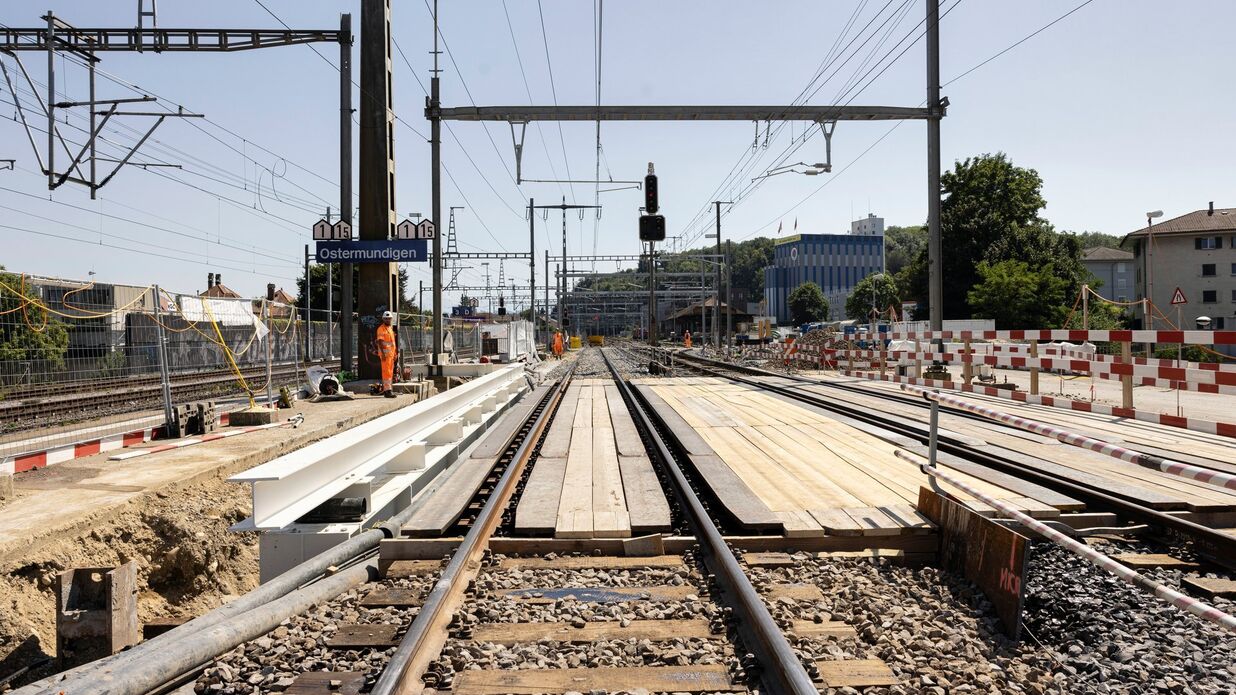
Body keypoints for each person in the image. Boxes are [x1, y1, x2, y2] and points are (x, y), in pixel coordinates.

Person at [376, 310, 397, 398]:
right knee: (386, 373)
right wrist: (384, 354)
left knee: (390, 373)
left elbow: (392, 343)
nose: (388, 320)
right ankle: (387, 391)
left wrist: (395, 354)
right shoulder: (381, 329)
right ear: (383, 319)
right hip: (385, 356)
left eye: (389, 319)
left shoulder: (390, 329)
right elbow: (380, 342)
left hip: (391, 356)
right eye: (386, 319)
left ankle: (388, 390)